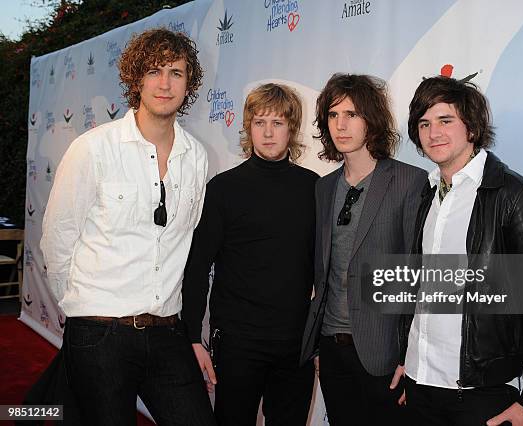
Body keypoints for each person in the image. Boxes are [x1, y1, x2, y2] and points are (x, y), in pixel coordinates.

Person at [40, 28, 214, 425]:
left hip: (167, 330)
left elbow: (185, 239)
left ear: (189, 83)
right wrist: (84, 308)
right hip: (101, 333)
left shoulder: (197, 157)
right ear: (136, 79)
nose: (165, 83)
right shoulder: (94, 148)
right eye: (154, 71)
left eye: (176, 72)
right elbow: (58, 238)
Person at [403, 75, 523, 426]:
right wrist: (410, 363)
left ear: (472, 127)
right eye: (424, 123)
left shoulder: (515, 196)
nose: (434, 133)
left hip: (482, 394)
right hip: (419, 388)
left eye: (445, 121)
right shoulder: (427, 194)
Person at [182, 83, 318, 426]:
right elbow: (197, 268)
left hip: (295, 342)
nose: (268, 133)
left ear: (292, 128)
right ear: (248, 127)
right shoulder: (224, 189)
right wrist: (192, 336)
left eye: (278, 123)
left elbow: (325, 269)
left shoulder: (314, 188)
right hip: (237, 342)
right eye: (260, 123)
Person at [299, 73, 427, 425]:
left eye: (352, 115)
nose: (341, 125)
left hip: (383, 352)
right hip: (330, 347)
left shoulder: (408, 181)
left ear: (371, 120)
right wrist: (320, 345)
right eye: (333, 115)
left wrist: (408, 357)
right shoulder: (324, 188)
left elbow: (418, 276)